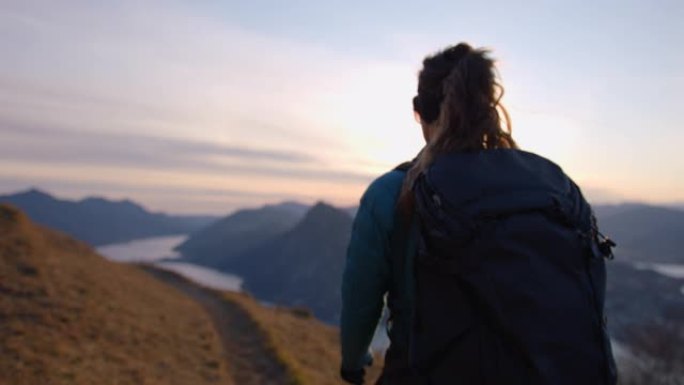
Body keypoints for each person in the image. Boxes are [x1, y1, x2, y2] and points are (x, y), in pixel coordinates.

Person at [340, 43, 616, 385]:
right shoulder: (552, 185)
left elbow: (360, 300)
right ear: (488, 107)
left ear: (418, 111)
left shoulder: (392, 194)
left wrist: (353, 362)